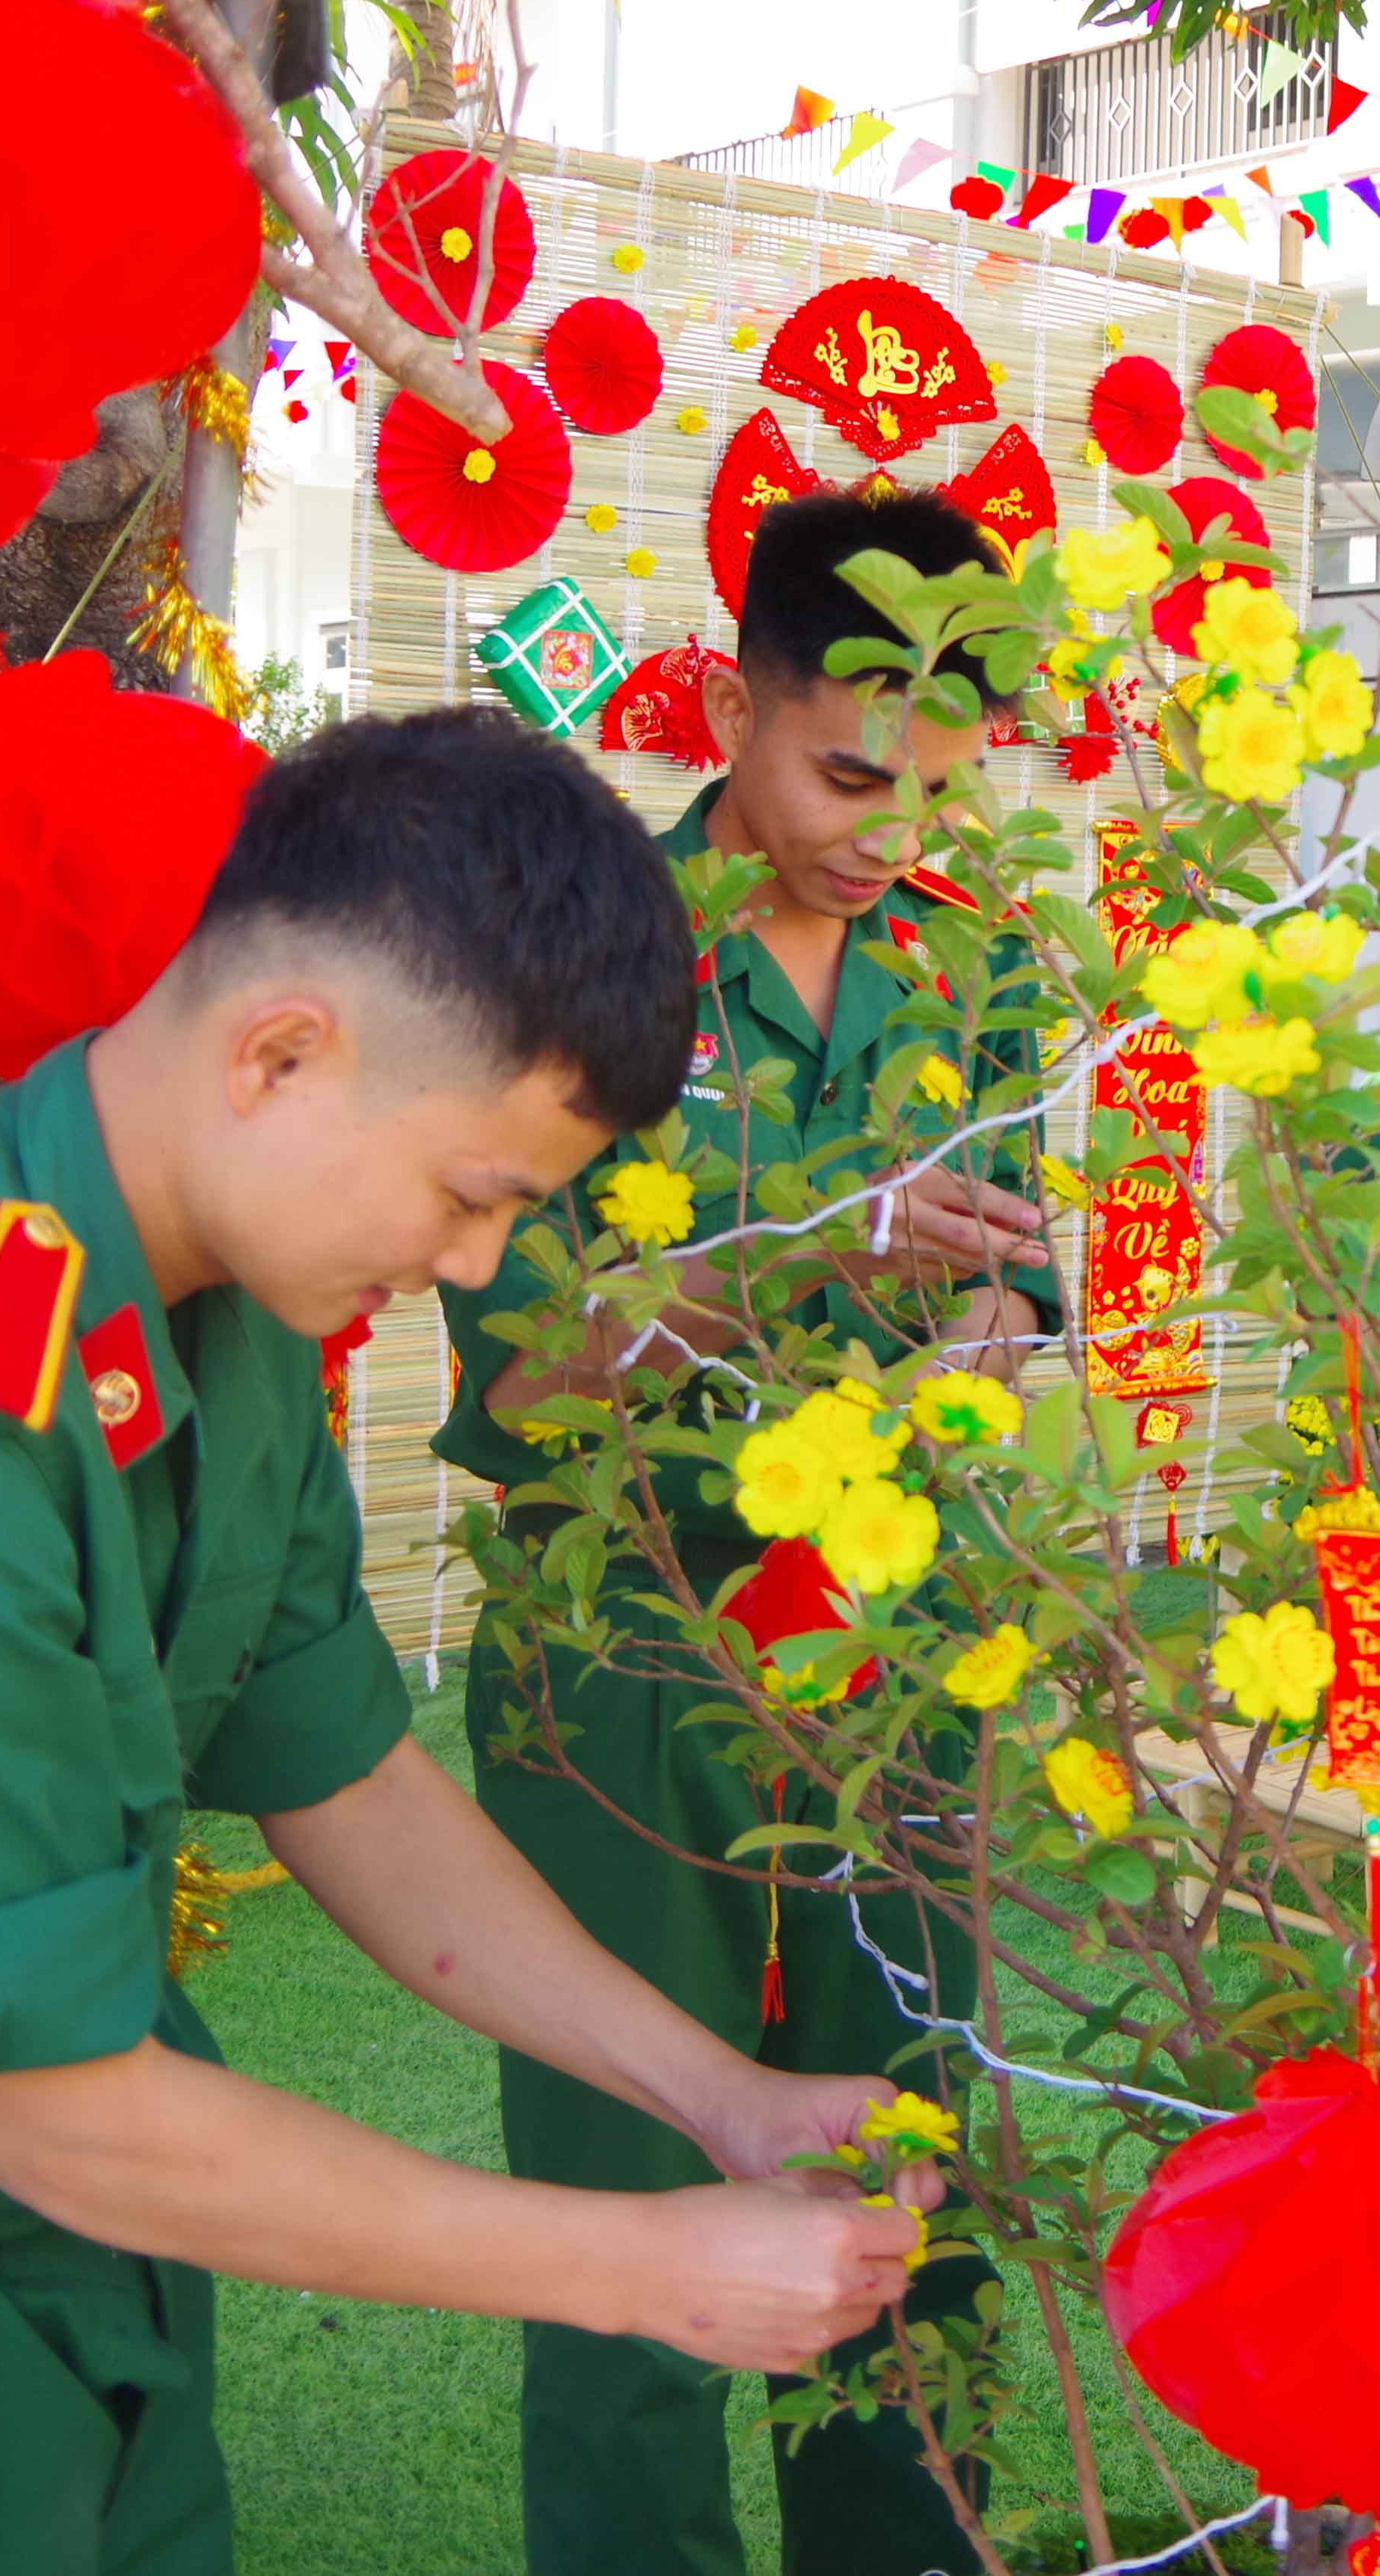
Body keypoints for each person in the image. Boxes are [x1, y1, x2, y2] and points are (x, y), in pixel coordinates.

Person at [0, 710, 938, 2575]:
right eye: (473, 1196)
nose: (472, 1269)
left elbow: (347, 1771)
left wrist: (723, 2095)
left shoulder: (226, 1304)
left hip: (70, 2336)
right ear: (281, 1050)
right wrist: (641, 2260)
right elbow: (62, 2111)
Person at [435, 488, 1059, 2576]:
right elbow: (528, 1373)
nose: (889, 828)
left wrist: (984, 1318)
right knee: (631, 2199)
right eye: (847, 769)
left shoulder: (973, 960)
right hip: (618, 1643)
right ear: (730, 701)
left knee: (909, 2180)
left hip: (897, 1633)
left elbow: (1022, 1261)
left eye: (942, 783)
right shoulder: (570, 946)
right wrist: (815, 1251)